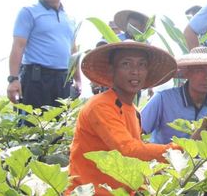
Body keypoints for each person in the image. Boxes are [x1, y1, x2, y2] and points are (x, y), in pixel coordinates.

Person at [67, 41, 180, 195]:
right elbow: (128, 150)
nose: (135, 71)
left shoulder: (133, 110)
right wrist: (176, 150)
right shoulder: (100, 105)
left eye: (142, 65)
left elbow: (135, 159)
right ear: (112, 70)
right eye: (126, 64)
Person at [141, 46, 207, 143]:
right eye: (199, 71)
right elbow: (137, 131)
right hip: (166, 162)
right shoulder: (163, 99)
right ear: (187, 73)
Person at [7, 0, 82, 107]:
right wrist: (13, 79)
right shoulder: (29, 12)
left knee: (60, 126)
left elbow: (73, 51)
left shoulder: (70, 19)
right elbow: (18, 46)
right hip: (36, 80)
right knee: (33, 125)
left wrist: (78, 80)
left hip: (63, 80)